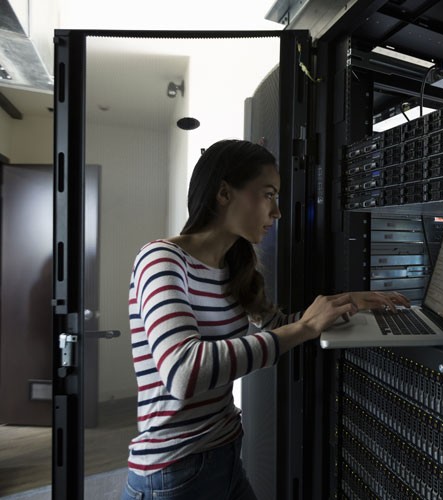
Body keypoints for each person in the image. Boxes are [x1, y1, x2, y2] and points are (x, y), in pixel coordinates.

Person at [122, 139, 409, 500]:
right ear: (224, 193)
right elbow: (183, 372)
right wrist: (304, 328)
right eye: (269, 194)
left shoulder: (233, 268)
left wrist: (346, 303)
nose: (277, 212)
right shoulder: (161, 260)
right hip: (173, 472)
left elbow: (275, 325)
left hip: (225, 452)